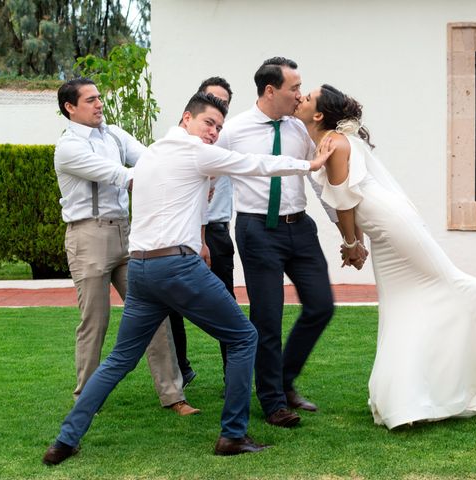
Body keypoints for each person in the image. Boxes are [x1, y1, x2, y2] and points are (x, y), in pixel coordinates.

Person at [42, 92, 335, 465]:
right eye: (208, 123)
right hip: (176, 267)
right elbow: (255, 163)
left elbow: (174, 196)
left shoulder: (153, 155)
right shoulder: (195, 152)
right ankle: (232, 434)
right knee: (245, 337)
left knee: (119, 358)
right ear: (187, 119)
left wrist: (202, 207)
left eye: (218, 127)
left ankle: (65, 441)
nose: (213, 132)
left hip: (143, 268)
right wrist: (310, 165)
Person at [294, 84, 476, 429]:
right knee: (400, 305)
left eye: (307, 98)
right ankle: (408, 397)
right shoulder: (325, 141)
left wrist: (352, 243)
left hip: (390, 224)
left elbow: (344, 200)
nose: (301, 99)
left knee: (451, 284)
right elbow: (342, 201)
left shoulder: (337, 143)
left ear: (321, 114)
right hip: (381, 231)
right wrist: (354, 241)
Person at [53, 77, 198, 416]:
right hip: (87, 238)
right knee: (95, 321)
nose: (99, 104)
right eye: (90, 100)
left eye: (99, 97)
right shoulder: (69, 147)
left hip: (127, 235)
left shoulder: (114, 134)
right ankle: (85, 400)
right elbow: (120, 175)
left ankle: (173, 395)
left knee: (154, 317)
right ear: (70, 108)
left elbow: (149, 160)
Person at [217, 57, 342, 428]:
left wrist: (345, 232)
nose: (300, 94)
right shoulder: (234, 130)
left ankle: (284, 380)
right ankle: (273, 401)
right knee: (267, 318)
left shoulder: (300, 129)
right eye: (294, 88)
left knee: (321, 305)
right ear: (271, 90)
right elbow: (209, 177)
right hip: (257, 231)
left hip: (300, 228)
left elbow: (317, 178)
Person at [169, 76, 234, 388]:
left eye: (223, 107)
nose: (215, 125)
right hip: (182, 237)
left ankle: (232, 374)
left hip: (217, 232)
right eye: (211, 102)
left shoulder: (225, 138)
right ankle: (180, 370)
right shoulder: (179, 143)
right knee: (170, 308)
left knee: (226, 304)